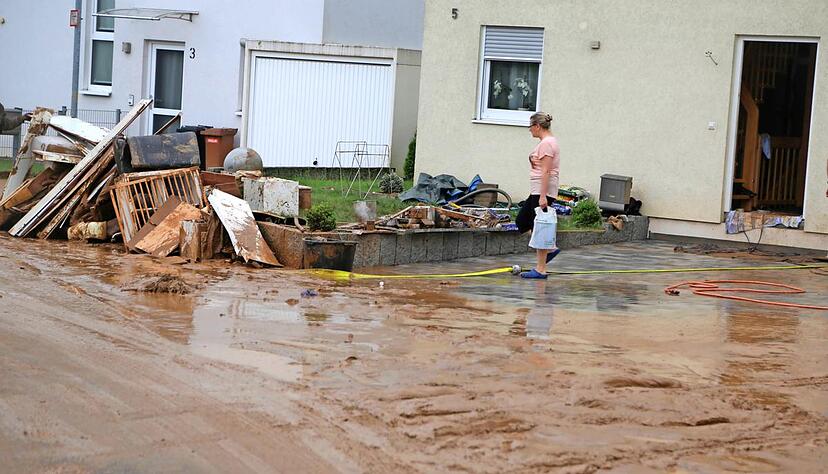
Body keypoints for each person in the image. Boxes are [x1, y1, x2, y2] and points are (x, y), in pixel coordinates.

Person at [515, 111, 560, 279]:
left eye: (530, 127)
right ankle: (550, 249)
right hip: (538, 189)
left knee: (538, 226)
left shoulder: (547, 144)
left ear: (537, 126)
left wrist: (542, 196)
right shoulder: (547, 142)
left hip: (543, 190)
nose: (529, 130)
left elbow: (546, 171)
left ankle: (541, 269)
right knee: (522, 221)